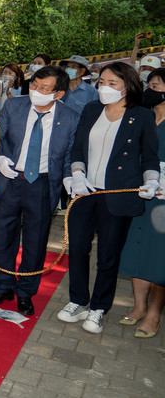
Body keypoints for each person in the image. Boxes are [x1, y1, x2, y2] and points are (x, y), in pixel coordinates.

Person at [58, 62, 159, 334]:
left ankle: (99, 308)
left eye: (112, 83)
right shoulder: (91, 110)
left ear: (128, 86)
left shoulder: (141, 115)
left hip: (118, 195)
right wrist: (77, 174)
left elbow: (149, 156)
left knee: (108, 256)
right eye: (102, 82)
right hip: (85, 192)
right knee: (77, 248)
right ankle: (78, 300)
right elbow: (77, 147)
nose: (104, 87)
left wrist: (152, 180)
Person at [0, 65, 79, 317]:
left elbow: (70, 153)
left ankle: (26, 292)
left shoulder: (71, 117)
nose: (37, 91)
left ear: (58, 94)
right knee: (4, 234)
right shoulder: (14, 106)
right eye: (35, 86)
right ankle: (3, 285)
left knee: (35, 240)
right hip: (10, 177)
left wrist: (71, 176)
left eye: (44, 88)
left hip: (41, 183)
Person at [119, 67, 165, 338]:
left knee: (158, 256)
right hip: (138, 194)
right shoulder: (142, 117)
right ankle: (138, 306)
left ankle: (154, 313)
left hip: (162, 202)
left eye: (157, 86)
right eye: (150, 84)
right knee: (135, 250)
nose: (151, 90)